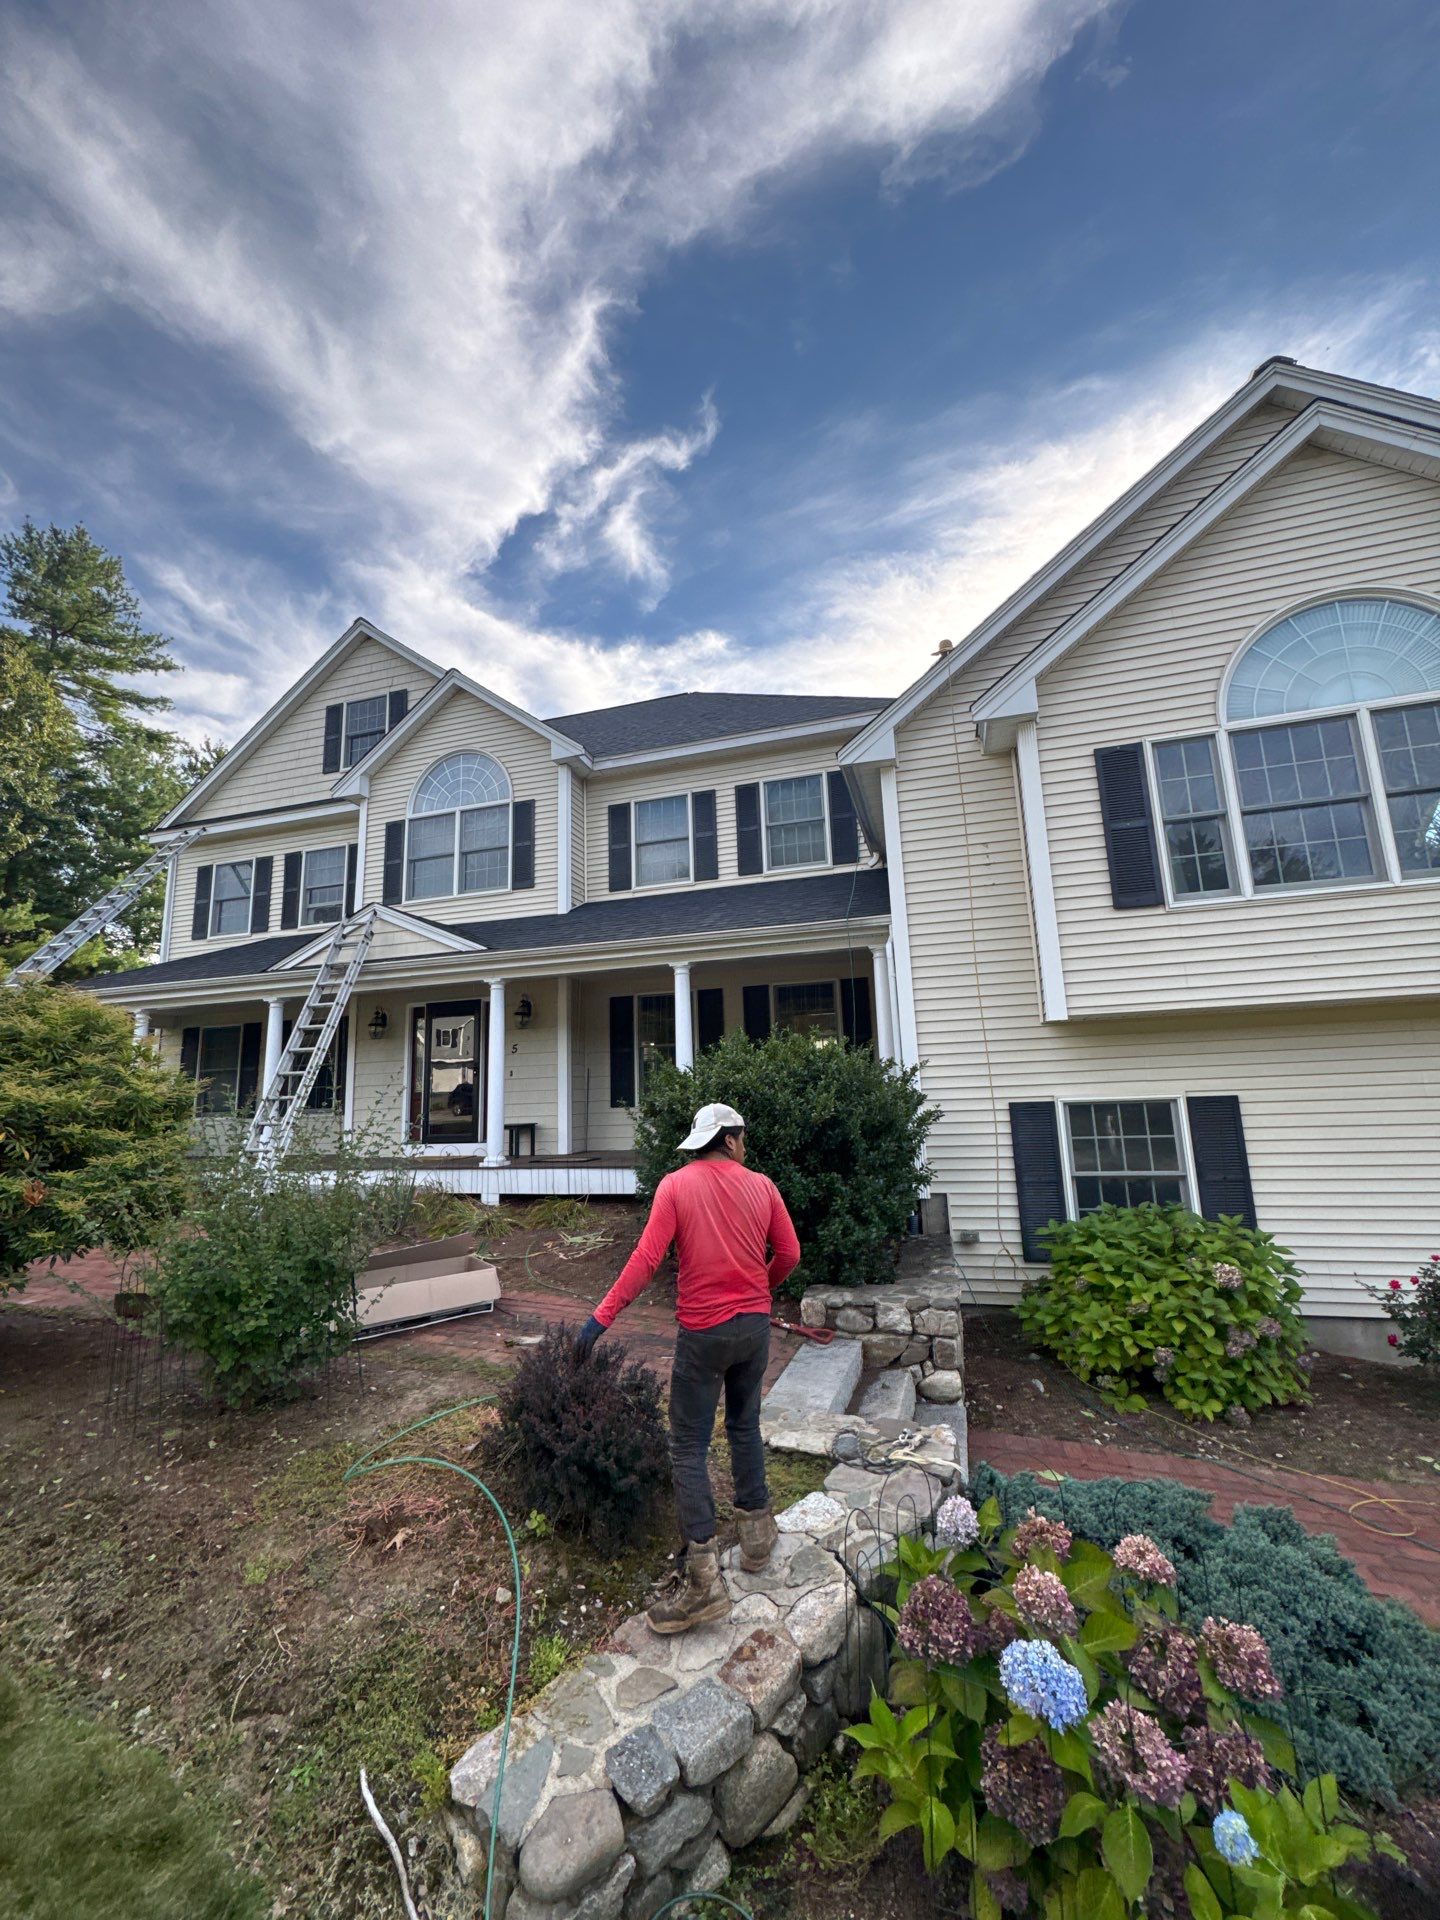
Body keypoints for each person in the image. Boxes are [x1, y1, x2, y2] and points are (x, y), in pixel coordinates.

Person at [574, 1101, 800, 1633]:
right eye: (742, 1137)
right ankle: (757, 1537)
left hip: (703, 1336)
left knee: (688, 1445)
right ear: (729, 1139)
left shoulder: (675, 1187)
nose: (745, 1146)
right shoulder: (763, 1186)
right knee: (745, 1425)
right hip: (754, 1329)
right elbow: (789, 1253)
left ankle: (703, 1581)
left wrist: (597, 1321)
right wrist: (758, 1291)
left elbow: (646, 1260)